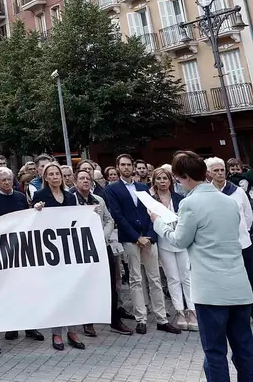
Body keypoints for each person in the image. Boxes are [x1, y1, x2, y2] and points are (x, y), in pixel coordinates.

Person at [152, 151, 253, 382]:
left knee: (215, 351)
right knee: (245, 348)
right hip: (239, 285)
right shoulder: (228, 201)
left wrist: (158, 223)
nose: (177, 183)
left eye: (177, 179)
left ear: (185, 177)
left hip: (210, 290)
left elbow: (179, 240)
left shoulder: (189, 203)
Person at [105, 154, 180, 335]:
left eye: (129, 165)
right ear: (117, 167)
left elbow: (152, 212)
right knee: (135, 279)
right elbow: (117, 215)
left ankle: (162, 318)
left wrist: (150, 235)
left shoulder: (142, 187)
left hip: (148, 237)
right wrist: (135, 237)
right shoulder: (112, 189)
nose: (126, 168)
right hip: (130, 238)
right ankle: (141, 318)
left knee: (154, 279)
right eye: (122, 165)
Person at [0, 167, 47, 342]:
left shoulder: (20, 196)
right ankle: (11, 326)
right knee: (7, 290)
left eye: (9, 179)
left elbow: (27, 217)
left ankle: (30, 326)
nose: (6, 182)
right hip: (2, 251)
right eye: (3, 180)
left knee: (26, 289)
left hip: (22, 248)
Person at [72, 169, 133, 336]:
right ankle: (87, 321)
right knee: (86, 285)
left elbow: (109, 220)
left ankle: (114, 320)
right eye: (82, 178)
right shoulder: (72, 200)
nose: (85, 181)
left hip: (101, 245)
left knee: (110, 283)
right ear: (75, 182)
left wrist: (102, 236)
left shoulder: (98, 200)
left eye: (88, 178)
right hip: (82, 249)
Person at [32, 163, 85, 350]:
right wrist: (36, 208)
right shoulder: (39, 196)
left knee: (72, 291)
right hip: (51, 250)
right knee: (56, 292)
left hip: (68, 248)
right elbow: (32, 220)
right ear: (45, 178)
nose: (55, 177)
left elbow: (78, 219)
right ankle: (57, 334)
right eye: (51, 174)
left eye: (58, 174)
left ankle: (72, 331)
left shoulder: (70, 196)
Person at [205, 157, 253, 317]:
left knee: (249, 277)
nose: (220, 173)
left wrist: (240, 232)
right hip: (219, 246)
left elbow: (248, 215)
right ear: (209, 174)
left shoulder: (237, 191)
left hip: (242, 243)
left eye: (222, 170)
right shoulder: (206, 193)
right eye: (216, 171)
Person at [150, 167, 196, 331]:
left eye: (165, 178)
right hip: (164, 242)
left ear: (170, 180)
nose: (162, 182)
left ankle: (192, 309)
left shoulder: (179, 198)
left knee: (186, 276)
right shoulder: (152, 201)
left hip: (180, 241)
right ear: (154, 181)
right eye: (159, 179)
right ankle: (179, 310)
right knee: (173, 278)